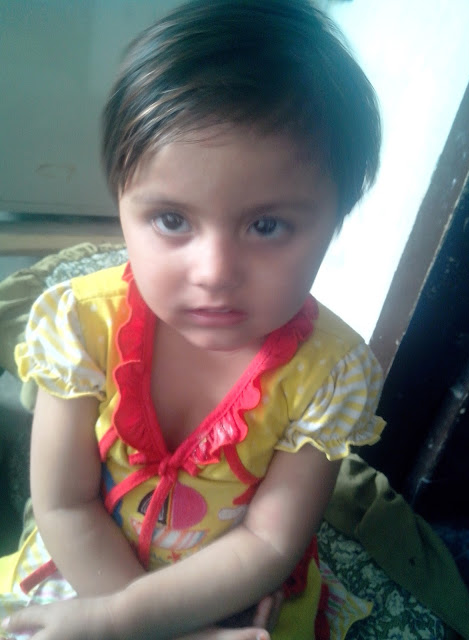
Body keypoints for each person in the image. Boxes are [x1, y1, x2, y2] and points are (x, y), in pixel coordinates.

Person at [0, 1, 385, 638]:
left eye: (267, 225)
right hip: (89, 564)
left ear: (336, 220)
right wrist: (132, 621)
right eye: (172, 220)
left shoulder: (332, 372)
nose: (214, 272)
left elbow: (267, 542)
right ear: (120, 204)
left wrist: (139, 622)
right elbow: (64, 504)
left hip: (226, 590)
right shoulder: (80, 325)